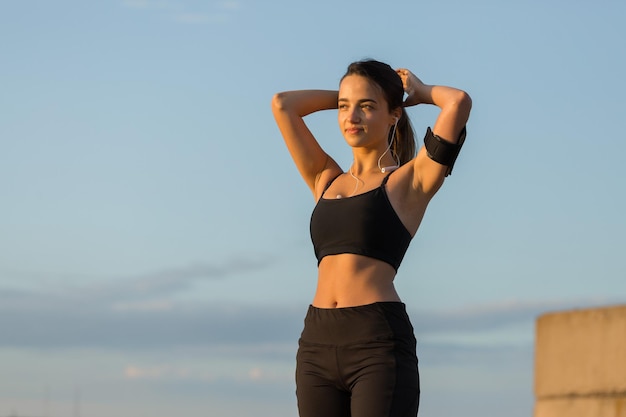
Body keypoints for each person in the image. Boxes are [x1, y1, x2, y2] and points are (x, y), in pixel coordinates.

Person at [271, 59, 472, 417]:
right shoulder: (324, 178)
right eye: (346, 107)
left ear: (394, 114)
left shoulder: (409, 182)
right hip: (316, 343)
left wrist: (419, 92)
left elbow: (457, 102)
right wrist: (354, 95)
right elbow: (283, 104)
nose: (352, 116)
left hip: (376, 343)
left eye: (367, 107)